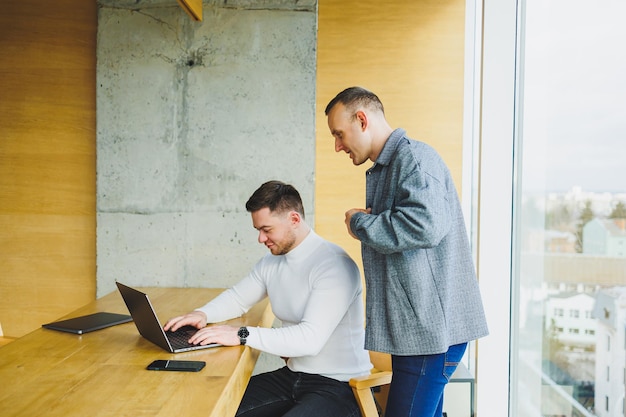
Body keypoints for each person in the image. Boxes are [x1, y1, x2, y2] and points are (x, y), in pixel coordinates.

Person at [325, 87, 489, 417]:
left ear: (361, 119)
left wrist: (359, 223)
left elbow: (426, 225)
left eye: (339, 134)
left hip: (430, 335)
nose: (337, 146)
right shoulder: (395, 165)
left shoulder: (413, 159)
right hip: (421, 332)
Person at [164, 180, 372, 417]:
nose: (261, 239)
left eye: (267, 229)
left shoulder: (334, 265)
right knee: (210, 407)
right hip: (293, 376)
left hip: (339, 386)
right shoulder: (271, 263)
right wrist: (202, 314)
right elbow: (237, 298)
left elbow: (310, 340)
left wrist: (241, 334)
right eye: (258, 231)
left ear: (294, 220)